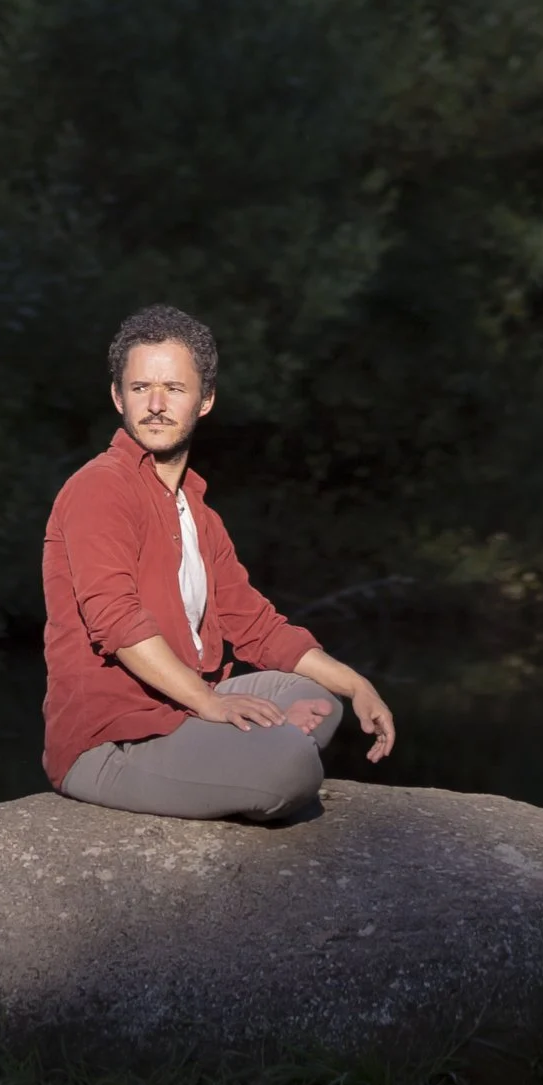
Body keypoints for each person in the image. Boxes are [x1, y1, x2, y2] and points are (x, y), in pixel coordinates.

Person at [41, 304, 396, 822]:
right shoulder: (100, 488)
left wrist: (358, 683)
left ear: (204, 400)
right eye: (140, 389)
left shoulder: (196, 510)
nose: (157, 405)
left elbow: (254, 625)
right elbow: (117, 623)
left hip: (181, 708)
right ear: (119, 397)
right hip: (112, 738)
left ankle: (243, 750)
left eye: (175, 389)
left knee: (319, 698)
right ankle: (256, 754)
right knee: (290, 768)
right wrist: (211, 706)